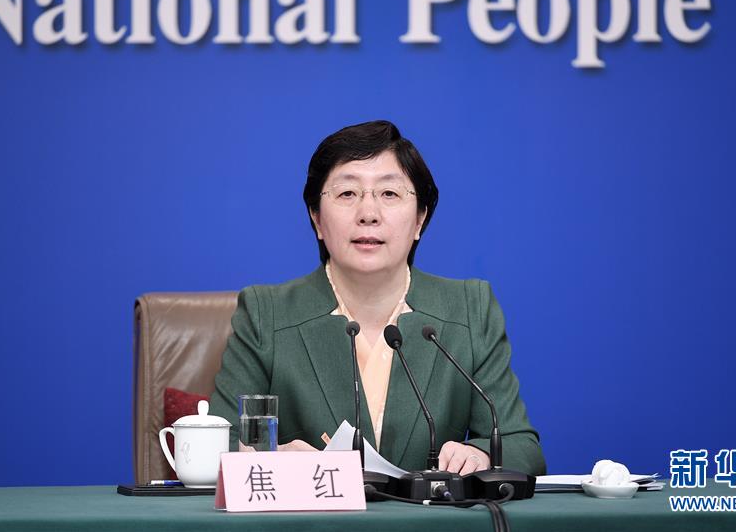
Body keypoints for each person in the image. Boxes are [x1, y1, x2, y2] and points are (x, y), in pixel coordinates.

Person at [209, 120, 545, 476]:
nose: (368, 214)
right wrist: (272, 456)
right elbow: (218, 444)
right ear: (317, 218)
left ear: (420, 219)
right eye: (347, 194)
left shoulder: (469, 308)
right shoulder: (266, 314)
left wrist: (480, 455)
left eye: (389, 194)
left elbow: (521, 446)